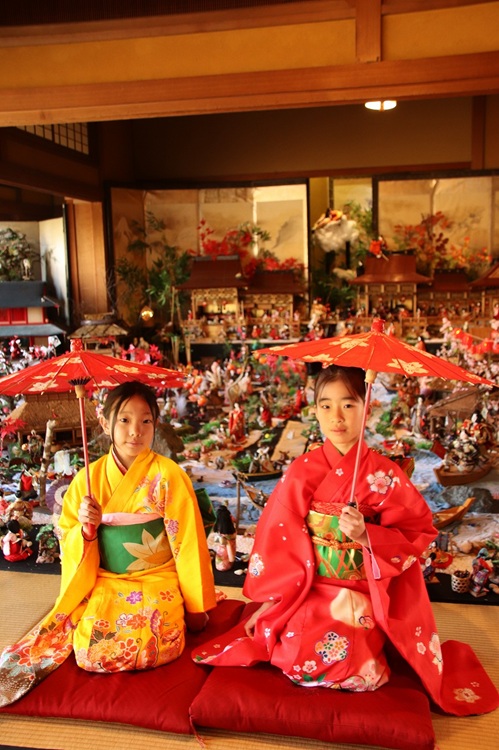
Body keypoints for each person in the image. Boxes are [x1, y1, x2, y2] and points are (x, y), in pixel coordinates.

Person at [193, 365, 498, 716]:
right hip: (308, 584)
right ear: (315, 410)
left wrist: (367, 535)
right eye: (326, 405)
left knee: (357, 658)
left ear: (368, 407)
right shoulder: (302, 470)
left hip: (363, 588)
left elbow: (418, 531)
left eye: (348, 405)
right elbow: (279, 536)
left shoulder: (385, 474)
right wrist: (272, 601)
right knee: (295, 654)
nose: (336, 417)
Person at [0, 380, 217, 707]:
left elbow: (187, 542)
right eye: (124, 420)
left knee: (162, 642)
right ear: (105, 423)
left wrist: (196, 609)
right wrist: (86, 530)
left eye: (146, 420)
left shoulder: (169, 475)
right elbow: (68, 536)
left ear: (155, 424)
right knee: (90, 649)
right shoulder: (87, 480)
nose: (135, 431)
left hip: (159, 577)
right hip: (107, 579)